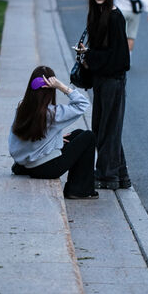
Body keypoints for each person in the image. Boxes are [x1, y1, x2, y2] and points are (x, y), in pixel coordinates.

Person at [9, 66, 97, 199]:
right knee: (88, 137)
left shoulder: (22, 107)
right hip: (46, 169)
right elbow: (83, 104)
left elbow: (24, 137)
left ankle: (22, 166)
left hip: (26, 164)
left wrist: (55, 138)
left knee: (78, 133)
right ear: (51, 90)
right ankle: (78, 189)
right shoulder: (53, 113)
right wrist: (62, 86)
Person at [82, 0, 132, 189]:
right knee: (105, 127)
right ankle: (120, 175)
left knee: (107, 129)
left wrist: (91, 58)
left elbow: (121, 58)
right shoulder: (97, 14)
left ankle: (106, 176)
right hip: (101, 79)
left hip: (113, 80)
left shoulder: (114, 17)